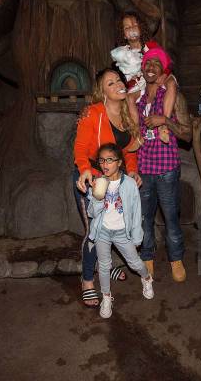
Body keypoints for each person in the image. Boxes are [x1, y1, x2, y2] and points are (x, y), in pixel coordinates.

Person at [73, 68, 143, 307]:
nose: (118, 84)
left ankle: (107, 266)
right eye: (110, 83)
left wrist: (132, 170)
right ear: (102, 91)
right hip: (93, 178)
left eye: (119, 80)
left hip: (116, 179)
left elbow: (128, 150)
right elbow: (81, 148)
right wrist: (84, 169)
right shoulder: (92, 113)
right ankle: (87, 281)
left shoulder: (126, 115)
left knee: (115, 225)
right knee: (95, 231)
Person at [136, 47, 186, 282]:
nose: (151, 67)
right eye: (147, 63)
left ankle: (176, 259)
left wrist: (164, 120)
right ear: (142, 69)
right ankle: (147, 259)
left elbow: (188, 133)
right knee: (145, 218)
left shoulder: (172, 94)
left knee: (170, 217)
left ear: (163, 68)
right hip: (144, 168)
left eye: (156, 63)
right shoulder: (137, 98)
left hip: (166, 168)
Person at [86, 143, 154, 318]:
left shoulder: (130, 184)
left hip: (122, 232)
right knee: (103, 265)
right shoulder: (98, 182)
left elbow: (137, 212)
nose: (105, 164)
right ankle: (106, 297)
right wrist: (97, 197)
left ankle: (147, 278)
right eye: (101, 160)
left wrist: (137, 236)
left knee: (135, 263)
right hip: (103, 231)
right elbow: (91, 213)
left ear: (119, 162)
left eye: (109, 160)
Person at [110, 12, 178, 149]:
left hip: (157, 77)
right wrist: (133, 81)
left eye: (135, 25)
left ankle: (164, 126)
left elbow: (169, 63)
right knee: (129, 98)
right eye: (127, 27)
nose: (132, 29)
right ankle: (137, 135)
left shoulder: (150, 46)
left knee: (171, 83)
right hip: (139, 84)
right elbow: (127, 79)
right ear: (123, 34)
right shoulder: (123, 54)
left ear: (141, 28)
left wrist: (165, 74)